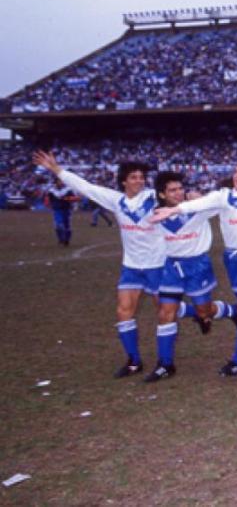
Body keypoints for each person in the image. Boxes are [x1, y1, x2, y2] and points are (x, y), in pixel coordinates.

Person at [32, 150, 165, 378]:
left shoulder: (155, 197)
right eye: (134, 177)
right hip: (132, 267)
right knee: (123, 311)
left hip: (158, 265)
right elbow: (86, 187)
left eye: (142, 177)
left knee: (165, 312)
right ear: (123, 181)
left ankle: (167, 358)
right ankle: (134, 361)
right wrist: (56, 169)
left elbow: (179, 196)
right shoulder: (116, 200)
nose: (139, 180)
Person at [151, 162, 237, 377]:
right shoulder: (223, 196)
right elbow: (203, 203)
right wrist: (175, 209)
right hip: (231, 259)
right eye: (235, 171)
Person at [145, 171, 237, 382]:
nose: (178, 193)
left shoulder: (197, 208)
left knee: (204, 311)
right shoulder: (155, 214)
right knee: (165, 313)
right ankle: (165, 364)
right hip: (171, 267)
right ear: (162, 194)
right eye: (172, 190)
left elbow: (222, 200)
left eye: (180, 189)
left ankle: (231, 311)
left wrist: (201, 198)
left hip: (198, 266)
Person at [46, 178, 76, 246]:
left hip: (66, 209)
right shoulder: (52, 190)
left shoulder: (68, 189)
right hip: (57, 209)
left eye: (61, 181)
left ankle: (67, 240)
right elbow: (49, 199)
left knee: (67, 225)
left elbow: (74, 198)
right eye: (59, 181)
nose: (61, 183)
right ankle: (61, 239)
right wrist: (49, 204)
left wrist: (66, 198)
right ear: (56, 182)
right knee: (58, 224)